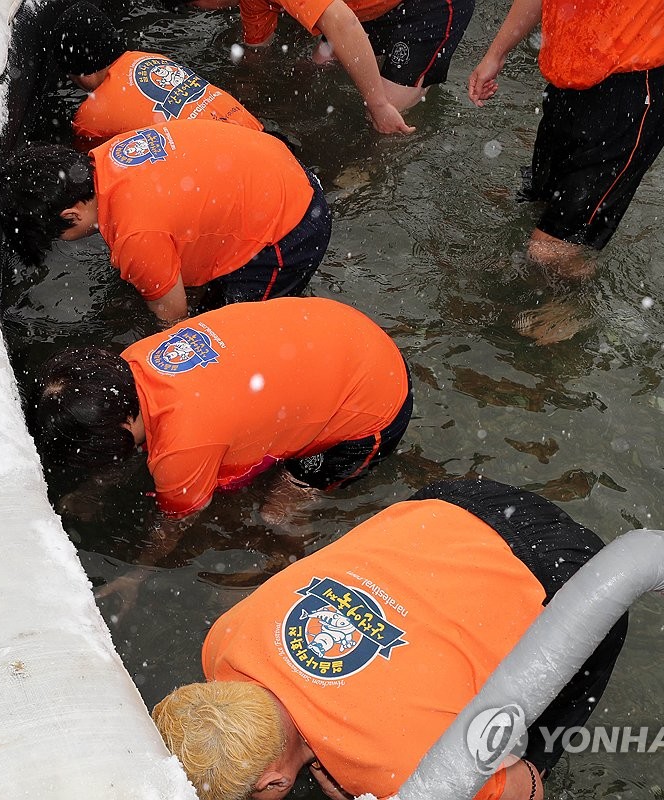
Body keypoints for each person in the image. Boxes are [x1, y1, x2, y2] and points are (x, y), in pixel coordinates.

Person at [153, 477, 629, 800]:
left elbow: (528, 788)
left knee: (533, 756)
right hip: (453, 504)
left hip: (571, 578)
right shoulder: (223, 643)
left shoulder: (395, 770)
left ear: (274, 783)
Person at [33, 296, 412, 524]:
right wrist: (96, 489)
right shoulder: (135, 358)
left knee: (274, 514)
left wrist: (140, 573)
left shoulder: (182, 450)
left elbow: (177, 521)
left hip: (376, 403)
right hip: (340, 329)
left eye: (99, 451)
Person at [468, 0, 664, 281]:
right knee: (538, 208)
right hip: (566, 84)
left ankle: (569, 315)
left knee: (550, 251)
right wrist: (497, 53)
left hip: (630, 94)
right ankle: (555, 296)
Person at [0, 119, 331, 326]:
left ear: (71, 215)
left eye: (60, 235)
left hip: (291, 229)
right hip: (282, 169)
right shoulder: (110, 154)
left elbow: (174, 320)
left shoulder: (135, 236)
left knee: (223, 332)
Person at [182, 0, 474, 135]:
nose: (208, 11)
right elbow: (256, 53)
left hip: (430, 6)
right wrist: (245, 93)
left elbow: (342, 22)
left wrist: (378, 103)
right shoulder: (252, 3)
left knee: (387, 120)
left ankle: (375, 172)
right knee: (315, 65)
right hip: (367, 9)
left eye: (198, 6)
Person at [52, 1, 264, 149]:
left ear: (82, 76)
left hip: (223, 166)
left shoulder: (90, 119)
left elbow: (95, 174)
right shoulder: (151, 58)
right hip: (258, 135)